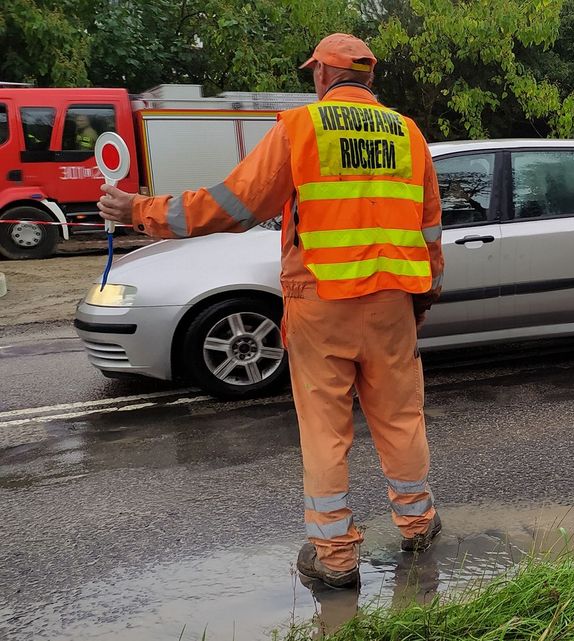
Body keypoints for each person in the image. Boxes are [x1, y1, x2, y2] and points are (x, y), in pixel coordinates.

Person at [96, 33, 446, 589]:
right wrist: (422, 300)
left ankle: (336, 558)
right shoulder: (409, 135)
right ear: (369, 78)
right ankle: (418, 523)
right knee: (401, 417)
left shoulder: (301, 127)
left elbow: (233, 205)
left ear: (323, 76)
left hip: (321, 302)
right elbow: (430, 230)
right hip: (391, 302)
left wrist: (140, 209)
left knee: (326, 430)